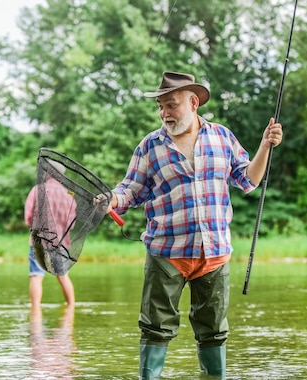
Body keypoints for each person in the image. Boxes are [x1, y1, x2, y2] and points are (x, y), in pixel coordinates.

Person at [105, 71, 283, 379]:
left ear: (193, 102)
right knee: (155, 327)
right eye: (161, 106)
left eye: (171, 105)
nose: (164, 113)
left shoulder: (222, 137)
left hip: (213, 254)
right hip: (166, 253)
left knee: (213, 331)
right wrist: (110, 198)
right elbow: (130, 190)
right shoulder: (150, 146)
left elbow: (248, 179)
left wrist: (265, 146)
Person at [24, 160, 76, 307]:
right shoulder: (68, 195)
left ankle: (35, 311)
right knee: (63, 276)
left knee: (36, 276)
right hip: (60, 243)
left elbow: (28, 218)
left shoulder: (37, 190)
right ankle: (71, 308)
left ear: (47, 173)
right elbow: (72, 223)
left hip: (38, 242)